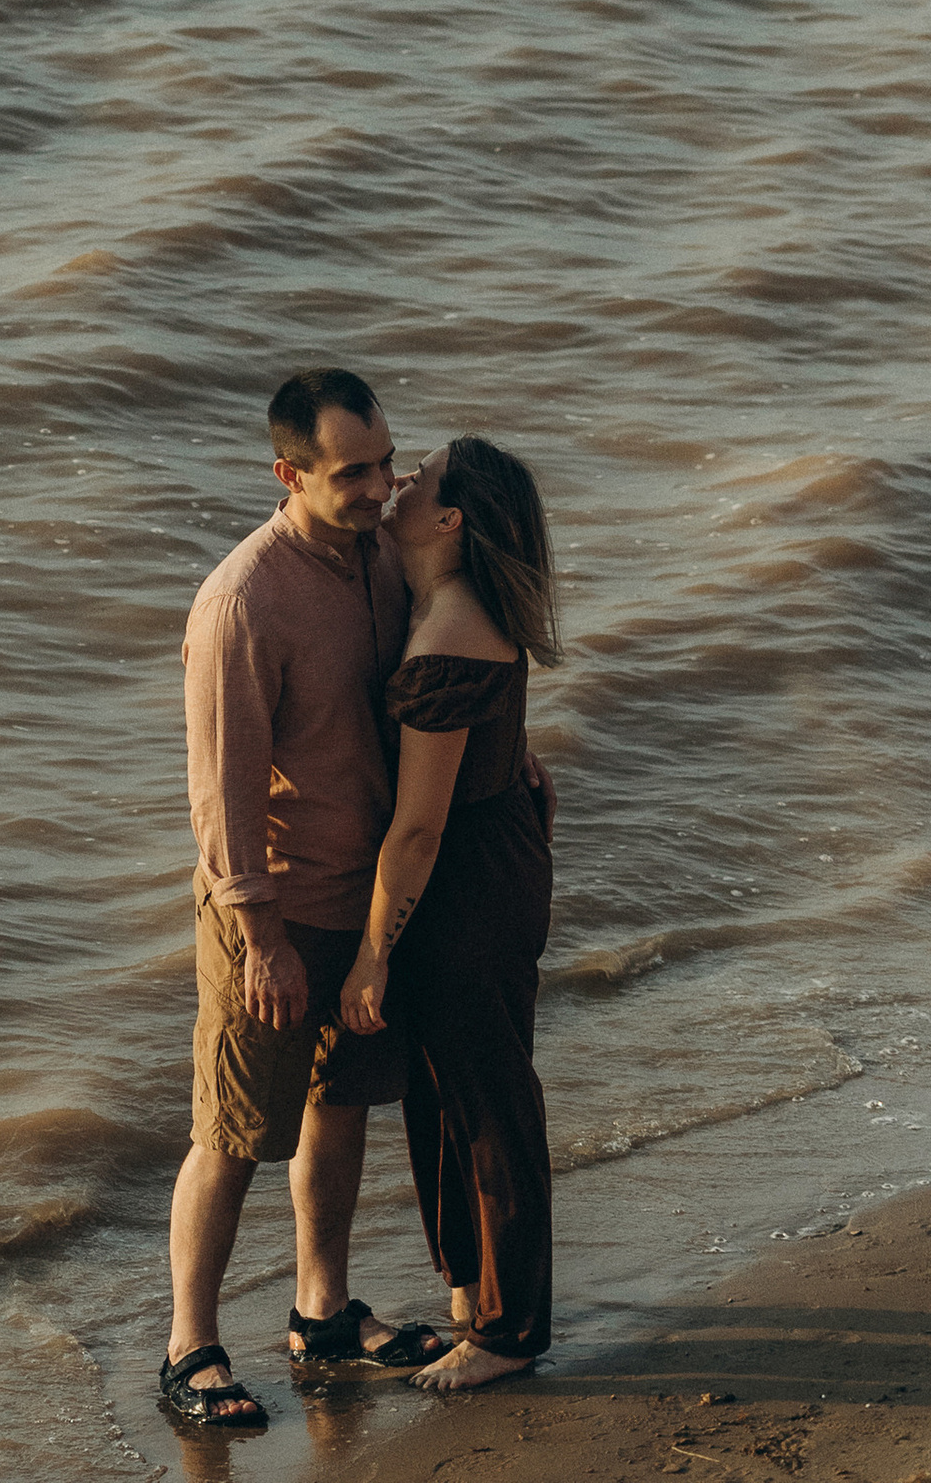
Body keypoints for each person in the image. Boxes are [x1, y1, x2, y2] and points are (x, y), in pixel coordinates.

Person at [159, 369, 456, 1430]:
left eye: (386, 463)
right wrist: (262, 941)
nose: (380, 488)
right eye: (352, 473)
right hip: (275, 912)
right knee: (234, 1130)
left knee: (341, 1105)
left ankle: (322, 1313)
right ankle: (190, 1347)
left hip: (368, 904)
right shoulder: (243, 601)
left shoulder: (381, 550)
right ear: (288, 475)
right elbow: (221, 795)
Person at [338, 436, 562, 1391]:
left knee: (486, 1104)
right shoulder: (452, 600)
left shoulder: (446, 637)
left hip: (465, 883)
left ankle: (510, 1333)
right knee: (443, 1095)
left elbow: (419, 830)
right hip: (495, 854)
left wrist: (371, 955)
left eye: (416, 480)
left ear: (449, 519)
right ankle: (473, 1290)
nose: (396, 486)